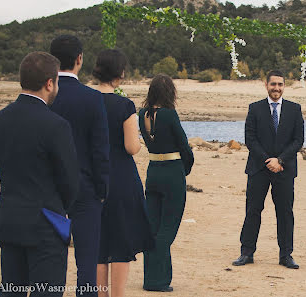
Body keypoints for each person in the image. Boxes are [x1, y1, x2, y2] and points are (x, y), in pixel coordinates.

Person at [0, 52, 79, 296]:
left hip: (9, 219)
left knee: (11, 291)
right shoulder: (56, 125)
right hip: (47, 223)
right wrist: (60, 208)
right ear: (49, 83)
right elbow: (70, 181)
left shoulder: (1, 119)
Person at [50, 35, 110, 297]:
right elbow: (100, 149)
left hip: (50, 190)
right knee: (87, 262)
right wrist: (102, 189)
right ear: (79, 59)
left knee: (52, 260)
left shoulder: (46, 97)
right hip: (86, 190)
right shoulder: (92, 98)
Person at [92, 49, 154, 297]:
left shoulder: (87, 100)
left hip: (93, 177)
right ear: (120, 72)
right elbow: (131, 147)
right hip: (121, 178)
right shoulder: (124, 105)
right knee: (120, 242)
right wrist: (139, 141)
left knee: (98, 243)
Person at [232, 70, 304, 269]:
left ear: (284, 86)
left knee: (285, 212)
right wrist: (267, 160)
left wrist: (280, 160)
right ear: (266, 85)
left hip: (284, 169)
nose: (277, 88)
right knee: (253, 210)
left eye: (280, 85)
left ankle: (286, 255)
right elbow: (250, 139)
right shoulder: (255, 109)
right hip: (258, 168)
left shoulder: (294, 109)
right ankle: (246, 253)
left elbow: (298, 140)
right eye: (273, 84)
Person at [138, 74, 194, 292]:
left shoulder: (142, 114)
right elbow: (184, 145)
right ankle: (158, 280)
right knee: (167, 228)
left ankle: (150, 277)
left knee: (152, 226)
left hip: (153, 172)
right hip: (171, 172)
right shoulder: (170, 115)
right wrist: (185, 169)